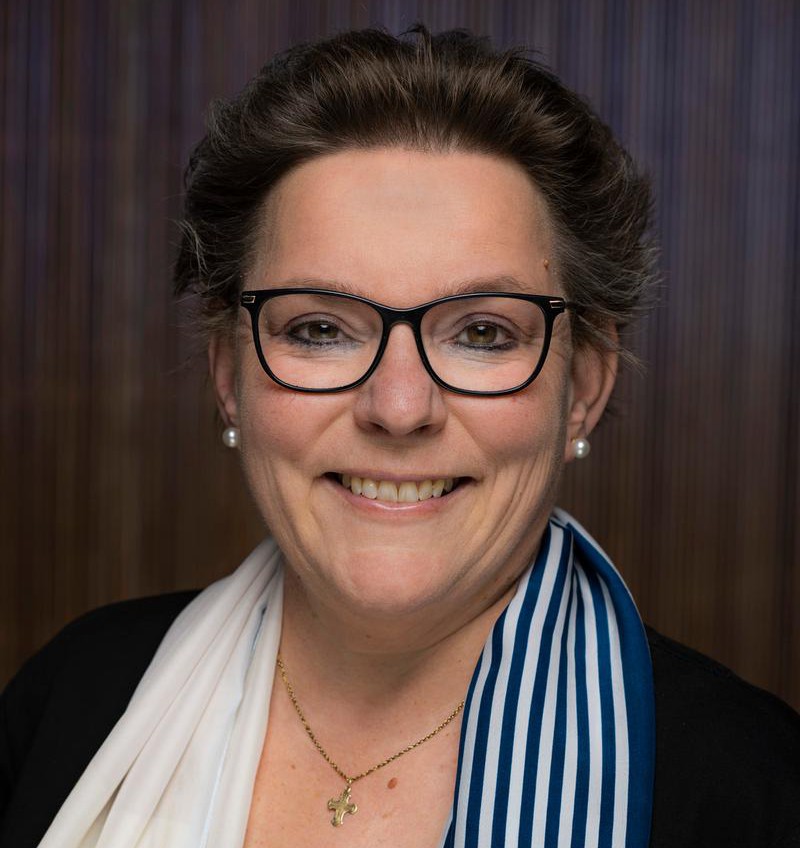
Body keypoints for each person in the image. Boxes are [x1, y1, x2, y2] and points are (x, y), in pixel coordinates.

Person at [1, 26, 798, 848]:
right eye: (319, 329)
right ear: (229, 375)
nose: (400, 406)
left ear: (584, 390)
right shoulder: (75, 699)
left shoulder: (752, 791)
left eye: (483, 333)